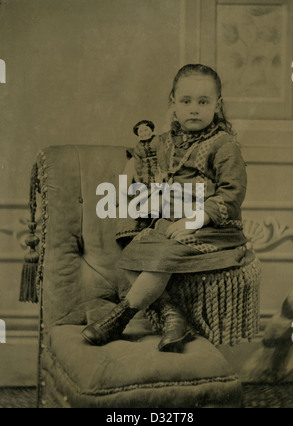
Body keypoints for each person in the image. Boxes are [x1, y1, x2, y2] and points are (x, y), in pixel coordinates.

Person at [82, 64, 249, 353]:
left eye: (203, 102)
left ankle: (119, 318)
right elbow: (142, 158)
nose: (194, 109)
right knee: (134, 251)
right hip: (170, 221)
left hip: (213, 229)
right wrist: (131, 169)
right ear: (172, 102)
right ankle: (174, 318)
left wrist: (196, 219)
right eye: (186, 101)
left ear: (217, 105)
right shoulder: (164, 142)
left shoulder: (224, 145)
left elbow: (232, 193)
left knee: (164, 252)